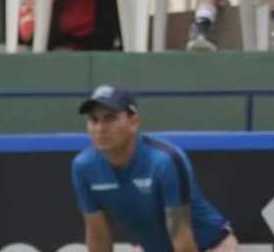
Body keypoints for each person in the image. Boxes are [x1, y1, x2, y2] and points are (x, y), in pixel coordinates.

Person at [72, 85, 237, 252]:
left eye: (110, 118)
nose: (100, 129)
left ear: (134, 121)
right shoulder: (83, 167)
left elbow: (182, 239)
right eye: (94, 119)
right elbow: (98, 236)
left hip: (211, 246)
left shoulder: (165, 161)